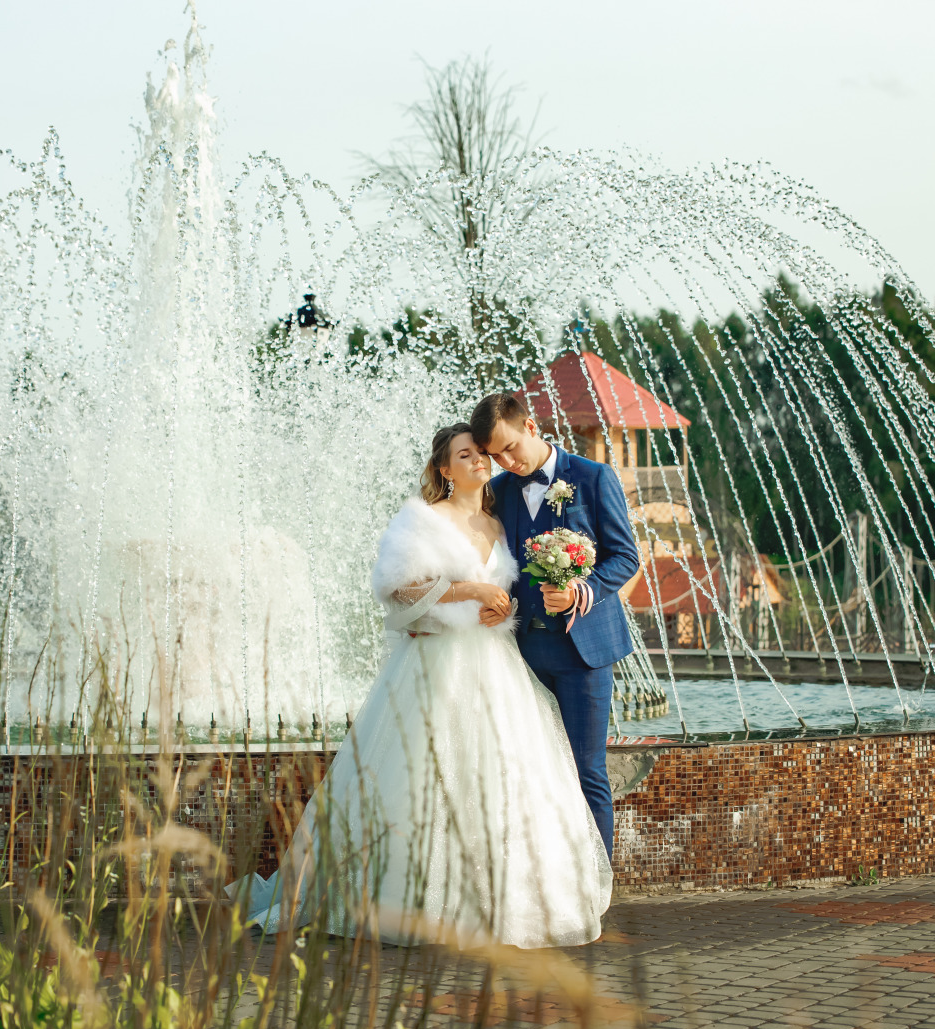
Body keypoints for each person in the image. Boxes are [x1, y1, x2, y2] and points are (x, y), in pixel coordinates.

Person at [244, 423, 612, 948]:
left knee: (507, 776)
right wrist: (471, 588)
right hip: (436, 666)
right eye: (466, 455)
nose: (480, 462)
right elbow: (396, 589)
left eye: (482, 454)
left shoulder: (499, 520)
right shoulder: (421, 519)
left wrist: (498, 606)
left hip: (496, 664)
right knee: (427, 779)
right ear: (444, 468)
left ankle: (506, 904)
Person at [471, 393, 641, 859]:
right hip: (522, 653)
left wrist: (581, 591)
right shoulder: (500, 491)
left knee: (588, 770)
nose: (506, 462)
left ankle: (597, 883)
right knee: (535, 769)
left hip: (581, 653)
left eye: (509, 448)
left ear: (530, 426)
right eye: (495, 456)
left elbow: (626, 557)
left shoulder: (591, 477)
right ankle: (550, 878)